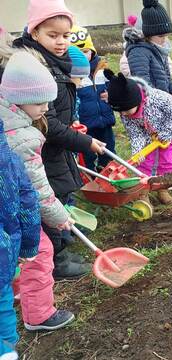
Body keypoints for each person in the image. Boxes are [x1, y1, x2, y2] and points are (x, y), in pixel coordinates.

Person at [12, 0, 105, 279]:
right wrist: (83, 142)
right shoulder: (34, 65)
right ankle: (56, 261)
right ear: (35, 31)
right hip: (39, 149)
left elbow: (56, 114)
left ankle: (60, 248)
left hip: (55, 147)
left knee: (61, 194)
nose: (61, 41)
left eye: (65, 35)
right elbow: (47, 123)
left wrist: (70, 125)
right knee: (48, 199)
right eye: (53, 35)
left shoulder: (54, 61)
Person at [0, 51, 76, 332]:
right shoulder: (22, 137)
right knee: (39, 252)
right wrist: (58, 216)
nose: (45, 108)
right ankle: (39, 314)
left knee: (14, 252)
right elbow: (36, 189)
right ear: (20, 99)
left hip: (4, 208)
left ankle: (18, 290)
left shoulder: (6, 119)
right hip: (15, 208)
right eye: (40, 102)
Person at [104, 69, 172, 205]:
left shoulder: (158, 99)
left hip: (166, 135)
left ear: (136, 101)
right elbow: (135, 132)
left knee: (166, 161)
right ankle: (143, 192)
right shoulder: (125, 113)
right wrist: (138, 150)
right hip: (146, 136)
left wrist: (167, 133)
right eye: (120, 111)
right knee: (144, 163)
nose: (123, 114)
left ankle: (162, 190)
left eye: (126, 110)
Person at [0, 119, 40, 360]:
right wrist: (29, 246)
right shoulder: (10, 159)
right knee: (3, 301)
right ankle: (8, 347)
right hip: (4, 254)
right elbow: (28, 203)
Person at [70, 25, 116, 171]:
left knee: (108, 149)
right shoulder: (73, 76)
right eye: (77, 52)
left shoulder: (103, 70)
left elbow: (115, 88)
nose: (82, 55)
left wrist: (111, 95)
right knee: (87, 153)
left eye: (85, 51)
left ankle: (107, 172)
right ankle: (89, 176)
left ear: (93, 51)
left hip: (105, 120)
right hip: (86, 124)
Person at [125, 0, 172, 100]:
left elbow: (166, 75)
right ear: (148, 34)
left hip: (162, 99)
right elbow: (142, 82)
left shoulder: (159, 48)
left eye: (167, 36)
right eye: (160, 36)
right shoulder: (138, 52)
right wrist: (157, 101)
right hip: (150, 104)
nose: (164, 39)